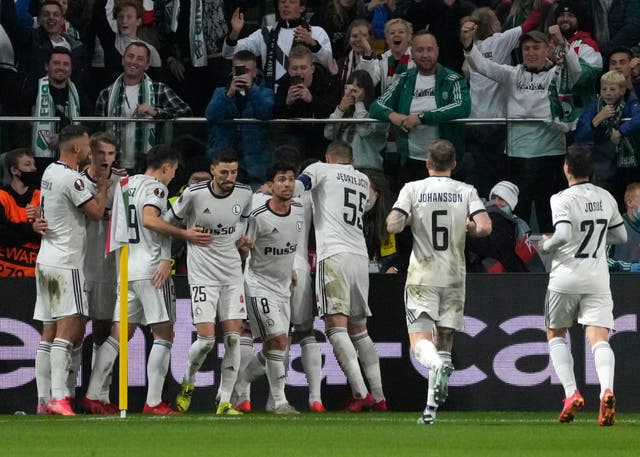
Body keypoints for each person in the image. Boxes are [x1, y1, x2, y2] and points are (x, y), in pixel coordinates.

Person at [83, 144, 211, 415]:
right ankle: (154, 402)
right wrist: (184, 235)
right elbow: (150, 219)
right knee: (164, 333)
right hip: (152, 269)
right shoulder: (157, 188)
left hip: (126, 267)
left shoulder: (126, 184)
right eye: (173, 171)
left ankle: (94, 394)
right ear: (165, 167)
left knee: (120, 334)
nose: (172, 177)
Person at [386, 138, 491, 425]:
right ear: (454, 165)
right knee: (443, 339)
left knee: (419, 341)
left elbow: (392, 224)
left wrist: (404, 219)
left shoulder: (413, 189)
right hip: (455, 276)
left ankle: (435, 366)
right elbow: (484, 227)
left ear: (427, 163)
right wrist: (468, 226)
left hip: (423, 275)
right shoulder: (466, 191)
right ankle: (430, 411)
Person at [538, 143, 627, 426]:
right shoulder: (606, 197)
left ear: (566, 168)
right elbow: (621, 237)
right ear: (592, 170)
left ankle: (570, 392)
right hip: (597, 277)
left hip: (565, 277)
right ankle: (607, 390)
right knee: (599, 337)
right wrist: (598, 239)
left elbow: (562, 233)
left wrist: (547, 244)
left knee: (555, 333)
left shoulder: (560, 198)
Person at [460, 24, 581, 232]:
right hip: (518, 155)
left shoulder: (558, 75)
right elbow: (481, 66)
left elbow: (576, 70)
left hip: (550, 153)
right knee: (519, 211)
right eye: (526, 49)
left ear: (547, 50)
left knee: (549, 211)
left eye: (536, 48)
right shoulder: (512, 74)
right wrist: (469, 45)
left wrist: (562, 41)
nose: (531, 53)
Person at [295, 139, 386, 412]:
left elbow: (298, 186)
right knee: (360, 330)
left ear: (327, 157)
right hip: (360, 257)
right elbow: (370, 202)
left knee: (335, 327)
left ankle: (360, 393)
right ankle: (380, 396)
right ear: (352, 159)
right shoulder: (360, 178)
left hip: (333, 254)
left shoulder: (320, 169)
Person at [32, 124, 110, 416]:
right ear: (77, 148)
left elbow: (43, 210)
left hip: (46, 260)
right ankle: (60, 397)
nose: (91, 150)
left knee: (49, 332)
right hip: (66, 263)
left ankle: (43, 401)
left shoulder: (50, 172)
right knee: (71, 326)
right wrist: (102, 188)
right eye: (89, 145)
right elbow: (95, 213)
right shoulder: (70, 179)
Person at [170, 149, 253, 415]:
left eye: (234, 172)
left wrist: (243, 241)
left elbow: (244, 221)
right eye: (225, 172)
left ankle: (225, 400)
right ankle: (188, 382)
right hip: (203, 275)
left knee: (233, 339)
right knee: (206, 340)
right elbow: (168, 223)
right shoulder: (195, 194)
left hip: (231, 274)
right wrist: (185, 234)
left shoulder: (245, 194)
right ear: (213, 170)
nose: (230, 177)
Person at [233, 162, 303, 414]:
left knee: (276, 346)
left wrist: (291, 268)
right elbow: (242, 250)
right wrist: (243, 247)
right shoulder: (258, 216)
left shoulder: (298, 211)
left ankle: (241, 381)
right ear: (270, 186)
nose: (287, 184)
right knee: (278, 338)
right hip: (258, 286)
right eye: (282, 179)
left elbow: (288, 246)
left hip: (283, 288)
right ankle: (280, 401)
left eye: (291, 179)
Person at [369, 30, 470, 186]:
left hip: (445, 163)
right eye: (420, 50)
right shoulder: (404, 79)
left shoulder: (453, 79)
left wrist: (421, 117)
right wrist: (394, 116)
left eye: (429, 49)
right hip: (410, 162)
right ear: (412, 53)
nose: (425, 54)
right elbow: (376, 106)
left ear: (437, 51)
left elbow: (462, 106)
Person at [77, 132, 125, 414]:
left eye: (110, 154)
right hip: (81, 266)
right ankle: (64, 395)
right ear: (90, 155)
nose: (106, 159)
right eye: (101, 154)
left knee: (102, 331)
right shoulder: (78, 182)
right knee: (72, 332)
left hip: (108, 268)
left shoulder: (123, 184)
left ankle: (101, 396)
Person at [95, 41, 192, 174]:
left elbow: (186, 112)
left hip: (148, 165)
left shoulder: (159, 89)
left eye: (140, 59)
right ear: (123, 60)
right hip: (114, 165)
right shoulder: (106, 93)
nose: (133, 61)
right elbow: (99, 131)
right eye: (130, 56)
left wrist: (156, 112)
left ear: (147, 65)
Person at [222, 0, 333, 90]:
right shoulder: (265, 33)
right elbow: (228, 54)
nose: (286, 5)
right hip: (270, 99)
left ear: (302, 7)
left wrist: (313, 44)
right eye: (282, 2)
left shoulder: (316, 32)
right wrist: (234, 33)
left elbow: (329, 65)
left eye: (292, 2)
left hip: (303, 96)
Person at [205, 50, 275, 188]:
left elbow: (266, 113)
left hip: (255, 161)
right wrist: (229, 93)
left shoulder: (265, 92)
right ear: (232, 71)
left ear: (255, 72)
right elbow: (211, 115)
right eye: (239, 70)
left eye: (247, 70)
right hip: (224, 157)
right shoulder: (221, 92)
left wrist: (252, 89)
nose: (243, 74)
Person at [574, 70, 640, 204]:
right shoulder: (595, 106)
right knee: (605, 203)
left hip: (630, 165)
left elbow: (638, 119)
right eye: (604, 89)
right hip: (602, 164)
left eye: (612, 89)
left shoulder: (631, 102)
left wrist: (621, 131)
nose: (607, 92)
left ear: (622, 90)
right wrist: (596, 120)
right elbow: (579, 136)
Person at [273, 45, 340, 160]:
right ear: (289, 70)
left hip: (321, 141)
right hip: (293, 142)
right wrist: (287, 104)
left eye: (303, 68)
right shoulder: (283, 86)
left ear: (312, 69)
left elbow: (333, 111)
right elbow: (275, 121)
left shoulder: (326, 83)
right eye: (294, 68)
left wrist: (312, 100)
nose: (298, 73)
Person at [466, 180, 545, 273]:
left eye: (501, 199)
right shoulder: (514, 225)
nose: (496, 202)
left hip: (502, 279)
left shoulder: (506, 223)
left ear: (511, 203)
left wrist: (470, 232)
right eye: (493, 198)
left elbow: (489, 248)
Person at [30, 47, 90, 168]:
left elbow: (90, 124)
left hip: (71, 160)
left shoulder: (79, 94)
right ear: (47, 66)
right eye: (56, 63)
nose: (61, 67)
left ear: (71, 69)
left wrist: (65, 138)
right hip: (37, 160)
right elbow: (17, 123)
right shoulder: (33, 90)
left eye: (66, 64)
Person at [324, 69, 386, 170]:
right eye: (349, 88)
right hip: (342, 167)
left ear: (366, 90)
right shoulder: (344, 112)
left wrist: (359, 103)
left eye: (356, 89)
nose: (352, 93)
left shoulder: (378, 112)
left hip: (368, 169)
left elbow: (364, 131)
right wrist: (340, 110)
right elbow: (328, 134)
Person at [552, 0, 602, 124]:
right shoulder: (549, 44)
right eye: (561, 15)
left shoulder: (587, 44)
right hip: (554, 118)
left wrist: (563, 44)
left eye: (570, 16)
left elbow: (584, 77)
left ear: (578, 19)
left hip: (580, 116)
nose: (565, 19)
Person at [0, 148, 41, 278]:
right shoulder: (2, 196)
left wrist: (42, 216)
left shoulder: (41, 196)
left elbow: (50, 233)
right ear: (14, 170)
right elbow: (3, 234)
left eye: (34, 164)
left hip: (34, 275)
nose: (33, 169)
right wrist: (32, 229)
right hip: (4, 275)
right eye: (27, 164)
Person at [608, 182, 640, 271]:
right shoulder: (614, 227)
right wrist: (628, 267)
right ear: (629, 202)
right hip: (620, 282)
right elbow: (602, 260)